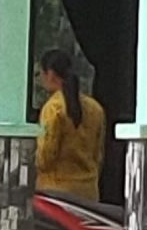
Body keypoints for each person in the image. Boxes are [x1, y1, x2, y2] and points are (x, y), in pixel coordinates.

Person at [37, 49, 105, 201]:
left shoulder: (53, 109)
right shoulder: (96, 108)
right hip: (89, 192)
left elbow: (45, 158)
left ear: (50, 74)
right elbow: (98, 155)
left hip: (56, 192)